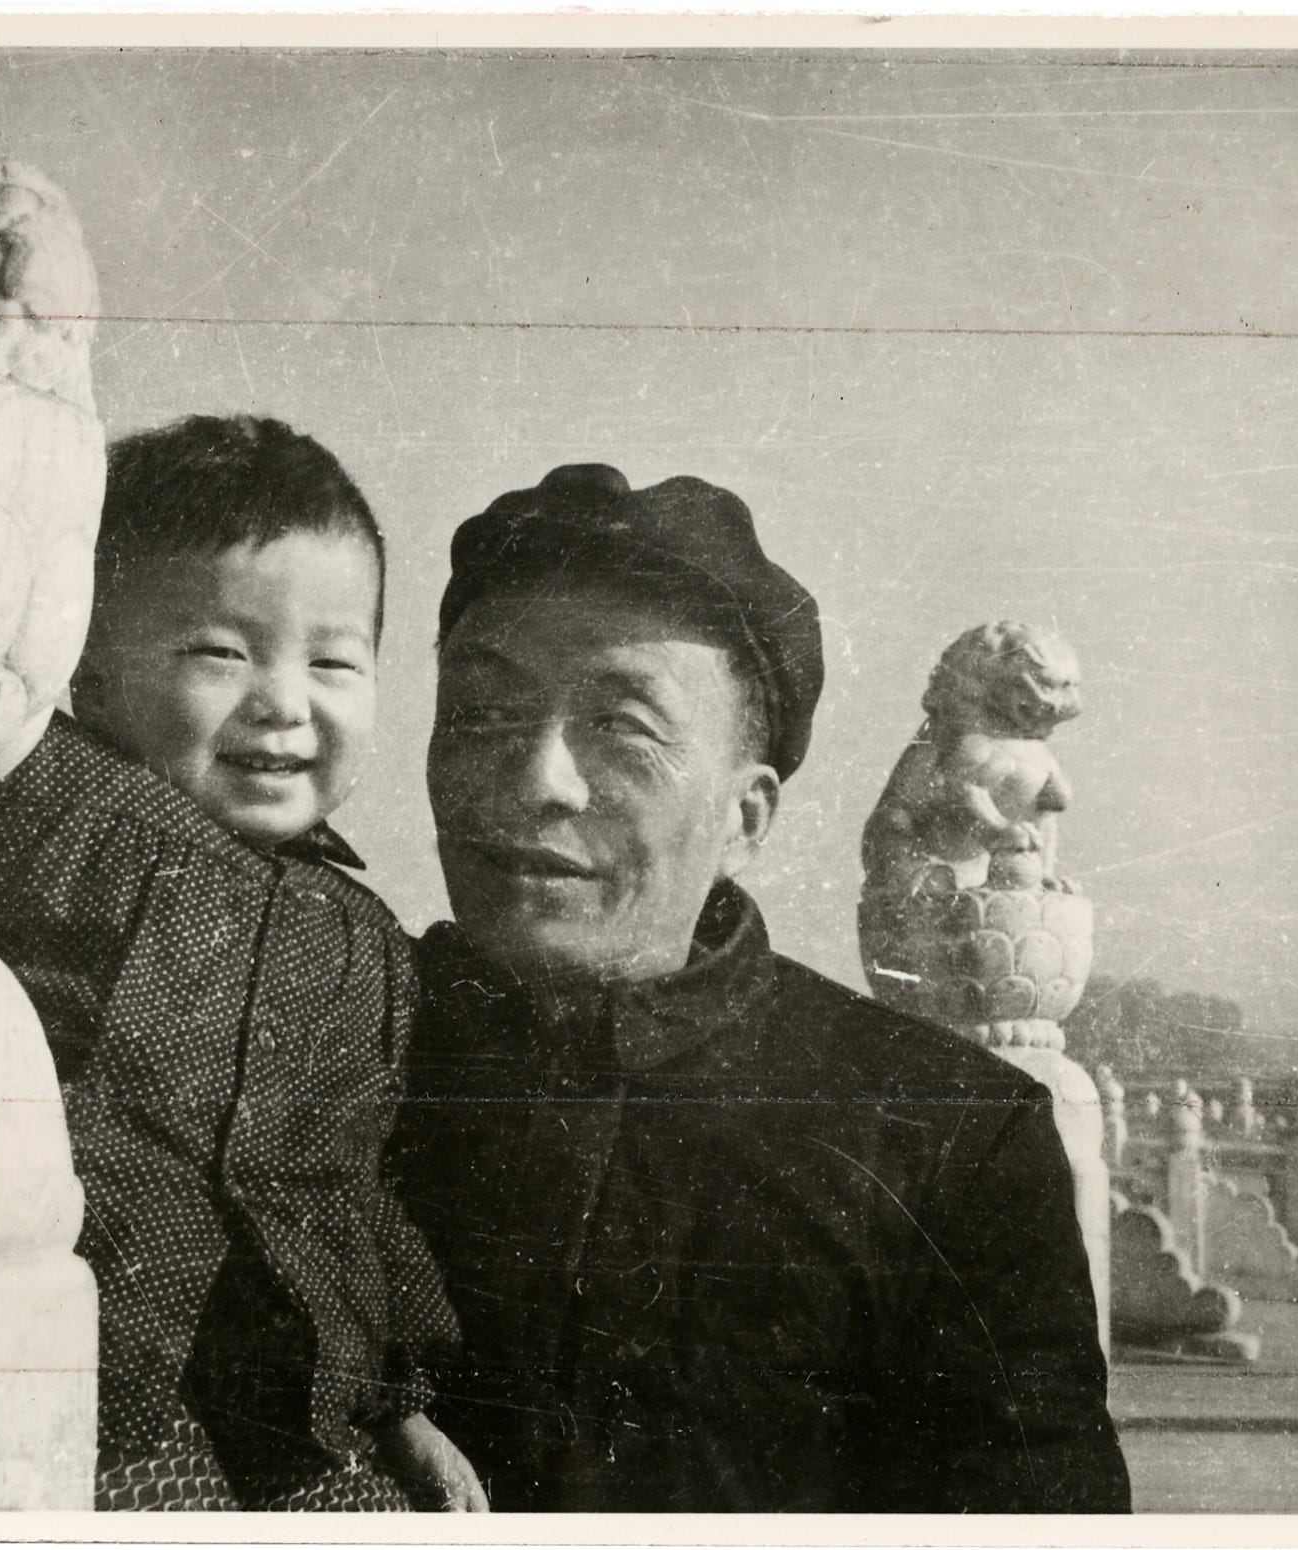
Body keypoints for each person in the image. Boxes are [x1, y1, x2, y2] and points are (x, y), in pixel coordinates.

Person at [390, 463, 1131, 1512]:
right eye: (480, 712)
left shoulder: (946, 1139)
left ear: (747, 817)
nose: (534, 779)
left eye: (621, 727)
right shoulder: (313, 1053)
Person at [0, 416, 485, 1512]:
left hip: (293, 1402)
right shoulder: (50, 807)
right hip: (81, 1373)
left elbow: (350, 1190)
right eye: (219, 652)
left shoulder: (360, 942)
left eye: (334, 659)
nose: (284, 700)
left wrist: (401, 1401)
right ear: (86, 666)